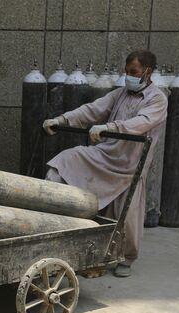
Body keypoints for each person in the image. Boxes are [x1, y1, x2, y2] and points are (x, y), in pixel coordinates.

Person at [43, 50, 167, 278]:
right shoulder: (120, 94)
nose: (128, 76)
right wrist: (62, 120)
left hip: (130, 165)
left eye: (134, 72)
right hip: (105, 154)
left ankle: (127, 259)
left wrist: (110, 128)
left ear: (147, 72)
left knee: (125, 216)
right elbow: (93, 109)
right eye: (127, 71)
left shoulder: (157, 99)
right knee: (65, 161)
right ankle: (54, 220)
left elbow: (141, 123)